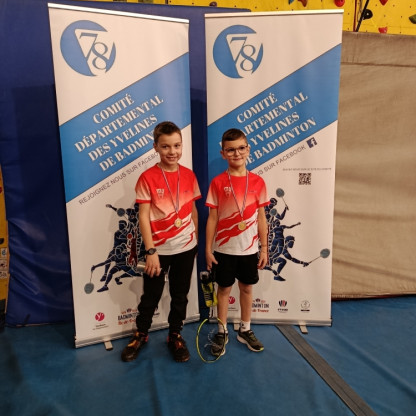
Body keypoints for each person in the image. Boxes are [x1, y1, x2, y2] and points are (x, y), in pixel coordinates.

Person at [121, 121, 201, 363]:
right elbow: (143, 217)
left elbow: (193, 210)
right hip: (158, 250)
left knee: (180, 294)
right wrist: (151, 251)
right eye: (165, 146)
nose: (172, 151)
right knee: (151, 295)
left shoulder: (189, 175)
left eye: (177, 145)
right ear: (155, 147)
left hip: (186, 247)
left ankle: (175, 335)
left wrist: (195, 241)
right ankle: (141, 333)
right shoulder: (147, 177)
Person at [205, 128, 269, 356]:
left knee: (247, 288)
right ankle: (222, 331)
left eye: (241, 148)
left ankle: (245, 329)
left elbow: (262, 218)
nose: (237, 153)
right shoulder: (218, 182)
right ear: (223, 153)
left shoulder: (258, 182)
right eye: (230, 150)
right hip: (224, 248)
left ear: (248, 149)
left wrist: (264, 248)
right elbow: (212, 218)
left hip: (249, 249)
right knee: (223, 289)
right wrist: (208, 249)